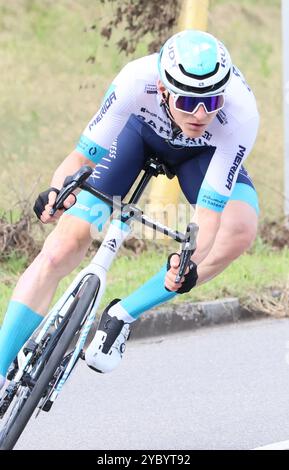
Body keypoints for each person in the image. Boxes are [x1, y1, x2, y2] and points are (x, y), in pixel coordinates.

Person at [0, 29, 259, 386]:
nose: (200, 114)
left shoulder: (240, 113)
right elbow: (79, 159)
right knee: (63, 247)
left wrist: (188, 263)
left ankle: (122, 315)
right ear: (164, 90)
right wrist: (58, 194)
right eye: (187, 102)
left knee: (240, 229)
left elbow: (208, 215)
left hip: (203, 154)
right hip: (138, 135)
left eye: (211, 102)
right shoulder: (136, 80)